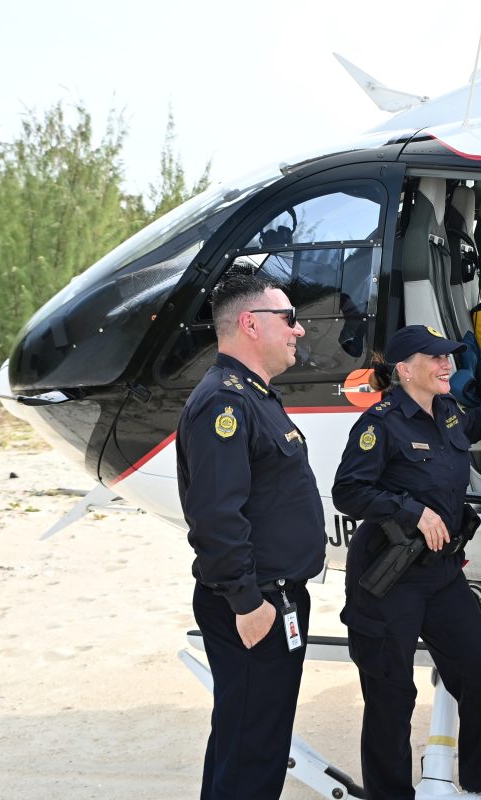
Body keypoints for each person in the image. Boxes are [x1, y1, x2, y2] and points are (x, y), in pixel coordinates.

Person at [332, 325, 481, 800]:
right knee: (391, 694)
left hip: (441, 574)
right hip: (389, 577)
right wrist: (412, 511)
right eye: (436, 358)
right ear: (404, 369)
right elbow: (348, 491)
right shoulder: (380, 424)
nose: (448, 365)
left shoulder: (448, 412)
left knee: (480, 670)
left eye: (448, 357)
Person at [176, 273, 327, 800]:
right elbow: (216, 516)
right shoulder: (225, 402)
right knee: (251, 750)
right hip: (253, 605)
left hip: (271, 599)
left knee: (248, 740)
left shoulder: (255, 396)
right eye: (289, 318)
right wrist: (247, 603)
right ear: (250, 323)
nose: (299, 330)